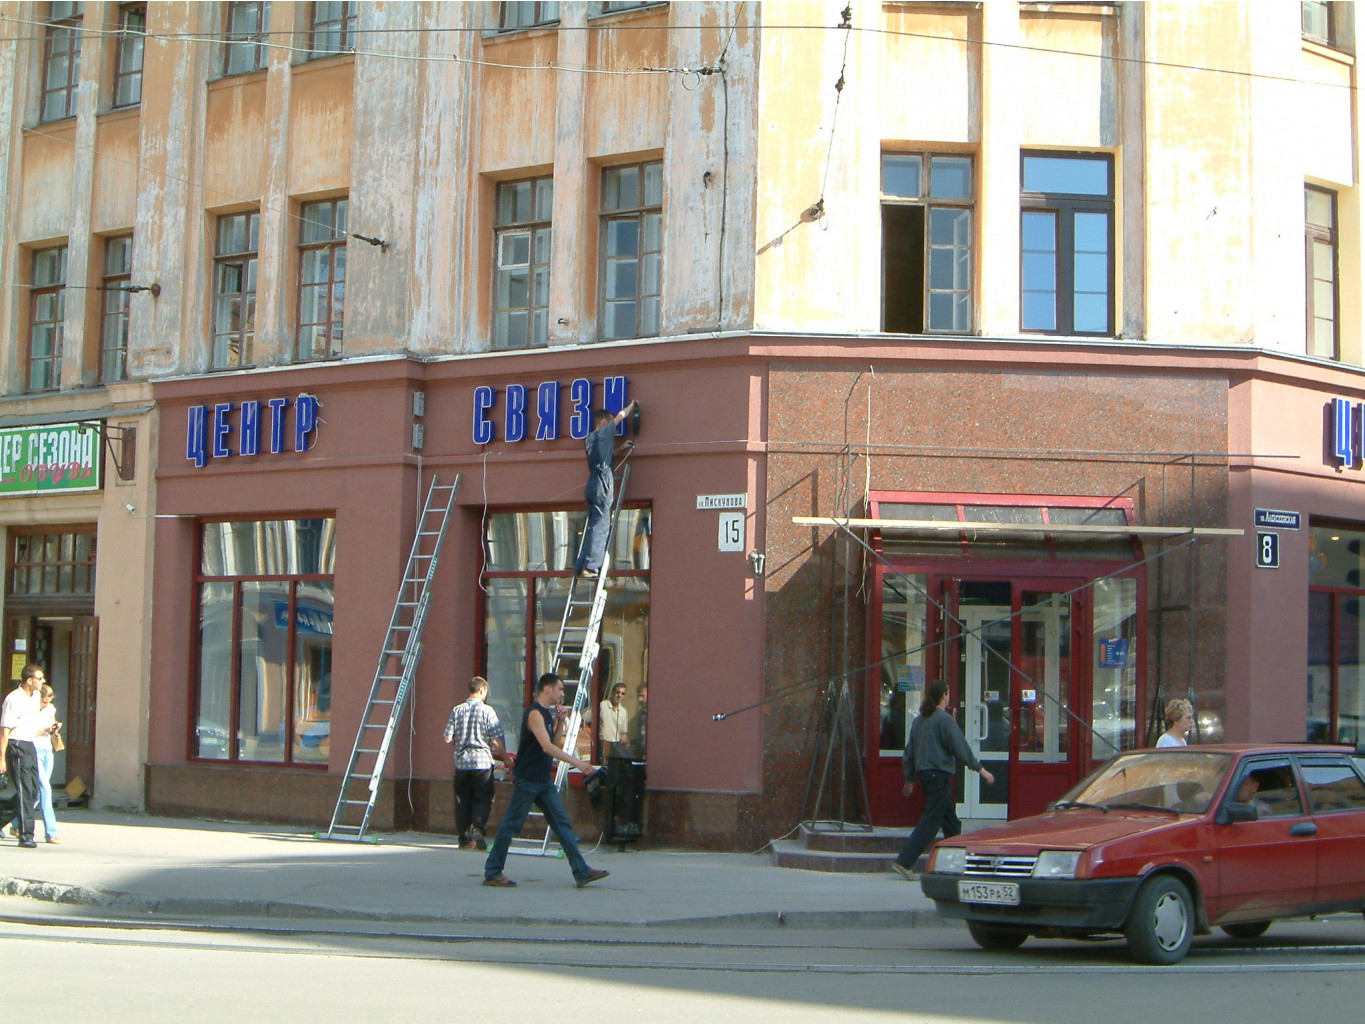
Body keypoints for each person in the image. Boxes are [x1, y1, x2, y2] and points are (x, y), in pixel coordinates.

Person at [483, 673, 610, 889]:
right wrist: (578, 764)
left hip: (542, 780)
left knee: (562, 824)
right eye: (559, 689)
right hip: (528, 779)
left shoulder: (547, 715)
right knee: (512, 825)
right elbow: (547, 747)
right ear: (548, 689)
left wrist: (561, 721)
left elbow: (554, 741)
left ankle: (581, 871)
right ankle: (493, 871)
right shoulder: (534, 713)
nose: (562, 693)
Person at [893, 680, 995, 879]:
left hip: (925, 776)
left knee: (951, 823)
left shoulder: (919, 720)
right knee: (931, 822)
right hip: (940, 775)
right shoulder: (944, 720)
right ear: (943, 696)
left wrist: (910, 779)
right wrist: (982, 770)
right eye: (948, 693)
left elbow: (909, 752)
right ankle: (903, 862)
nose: (949, 697)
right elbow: (961, 748)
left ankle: (956, 863)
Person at [443, 676, 510, 850]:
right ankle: (478, 828)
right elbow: (495, 740)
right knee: (483, 798)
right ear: (482, 690)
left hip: (462, 763)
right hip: (482, 763)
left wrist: (460, 741)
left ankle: (464, 838)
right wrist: (506, 757)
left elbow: (448, 737)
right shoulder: (488, 711)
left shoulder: (457, 710)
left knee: (462, 801)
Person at [576, 400, 638, 578]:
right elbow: (620, 416)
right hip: (603, 482)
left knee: (593, 525)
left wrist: (621, 448)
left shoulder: (590, 438)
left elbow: (607, 455)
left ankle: (581, 565)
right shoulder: (604, 433)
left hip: (592, 483)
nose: (614, 429)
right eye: (610, 424)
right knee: (602, 525)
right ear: (603, 423)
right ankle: (591, 567)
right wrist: (632, 406)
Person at [0, 665, 47, 849]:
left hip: (29, 744)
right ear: (29, 680)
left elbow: (31, 724)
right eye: (39, 678)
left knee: (34, 792)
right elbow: (5, 730)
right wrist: (2, 758)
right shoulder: (13, 699)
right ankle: (26, 835)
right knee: (25, 790)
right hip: (17, 744)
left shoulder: (35, 697)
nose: (42, 682)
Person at [7, 683, 61, 844]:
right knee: (45, 789)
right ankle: (51, 832)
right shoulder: (30, 709)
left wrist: (54, 729)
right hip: (33, 750)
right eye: (44, 701)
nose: (45, 704)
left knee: (34, 792)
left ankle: (15, 823)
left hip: (47, 751)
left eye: (48, 701)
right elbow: (28, 732)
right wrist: (44, 730)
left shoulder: (50, 709)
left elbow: (52, 723)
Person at [598, 683, 631, 759]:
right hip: (603, 743)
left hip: (616, 745)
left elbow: (623, 734)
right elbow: (586, 718)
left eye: (622, 694)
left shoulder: (623, 712)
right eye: (617, 692)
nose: (619, 695)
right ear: (612, 693)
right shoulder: (602, 705)